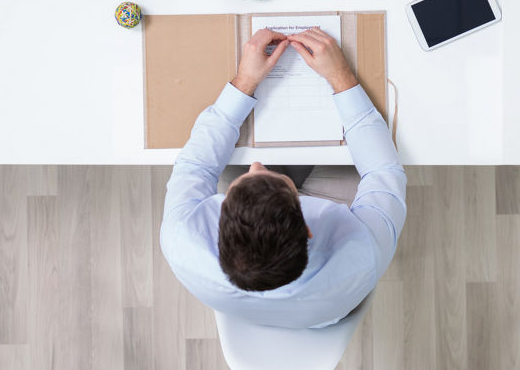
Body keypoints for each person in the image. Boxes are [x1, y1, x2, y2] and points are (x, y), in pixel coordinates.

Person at [160, 28, 406, 329]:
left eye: (244, 180)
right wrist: (341, 77)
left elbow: (195, 166)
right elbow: (382, 172)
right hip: (328, 297)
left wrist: (245, 81)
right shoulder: (361, 253)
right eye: (278, 182)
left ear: (219, 222)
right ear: (308, 227)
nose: (257, 165)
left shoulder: (180, 240)